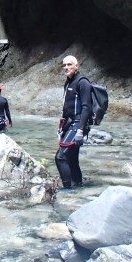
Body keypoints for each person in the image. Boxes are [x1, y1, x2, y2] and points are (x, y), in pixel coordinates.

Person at [55, 55, 92, 189]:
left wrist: (81, 130)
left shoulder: (83, 83)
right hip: (68, 124)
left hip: (77, 124)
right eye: (64, 65)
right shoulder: (68, 83)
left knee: (60, 157)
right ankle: (79, 185)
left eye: (69, 65)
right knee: (71, 159)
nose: (66, 67)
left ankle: (67, 189)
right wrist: (61, 127)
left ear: (77, 66)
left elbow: (87, 107)